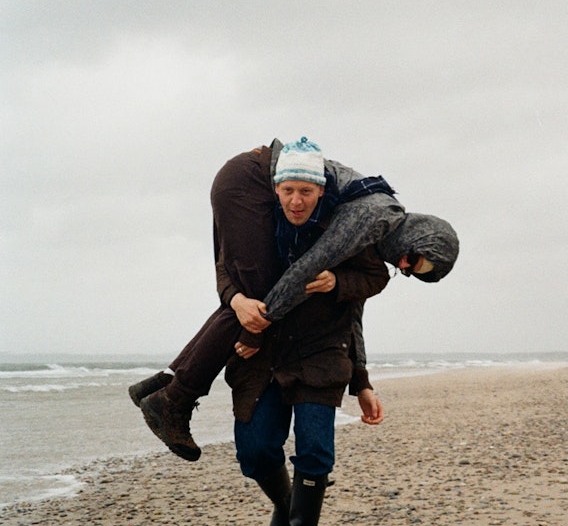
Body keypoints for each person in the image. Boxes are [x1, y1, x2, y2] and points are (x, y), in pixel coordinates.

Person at [131, 136, 459, 461]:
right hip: (247, 182)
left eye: (411, 271)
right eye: (414, 259)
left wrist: (361, 377)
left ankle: (164, 382)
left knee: (248, 298)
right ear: (420, 233)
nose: (403, 265)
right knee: (256, 301)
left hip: (249, 178)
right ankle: (173, 402)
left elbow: (353, 310)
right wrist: (256, 330)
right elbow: (307, 269)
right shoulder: (374, 217)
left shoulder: (382, 220)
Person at [225, 136, 390, 526]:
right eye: (288, 190)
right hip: (265, 354)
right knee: (255, 451)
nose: (296, 201)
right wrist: (236, 300)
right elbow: (226, 272)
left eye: (306, 191)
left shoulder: (345, 226)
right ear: (276, 190)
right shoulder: (257, 226)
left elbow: (375, 279)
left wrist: (338, 282)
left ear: (321, 191)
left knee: (315, 451)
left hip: (322, 353)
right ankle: (285, 505)